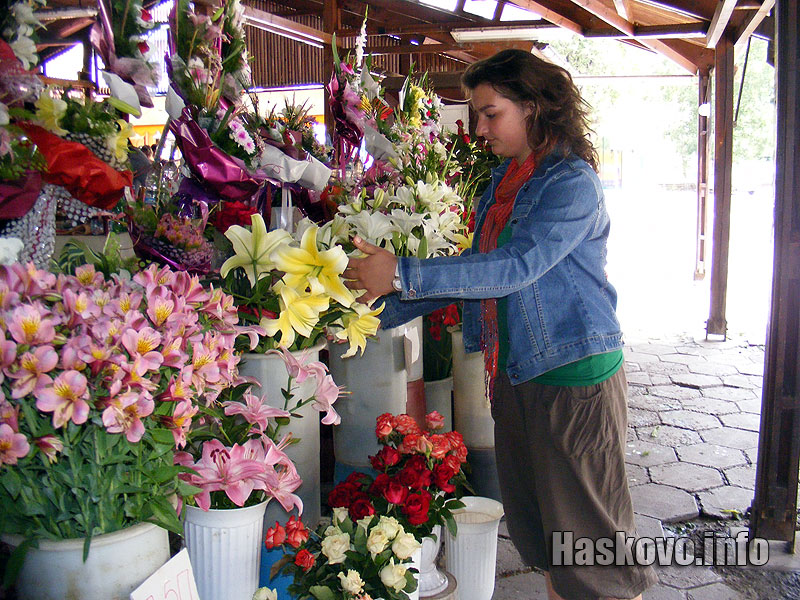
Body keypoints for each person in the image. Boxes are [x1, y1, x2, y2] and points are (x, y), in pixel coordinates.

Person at [343, 49, 658, 600]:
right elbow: (476, 273)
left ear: (533, 106)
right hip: (516, 373)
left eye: (491, 114)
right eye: (477, 114)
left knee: (591, 549)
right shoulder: (508, 181)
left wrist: (400, 273)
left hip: (572, 377)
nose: (480, 128)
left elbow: (515, 267)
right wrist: (369, 312)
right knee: (547, 536)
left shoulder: (570, 183)